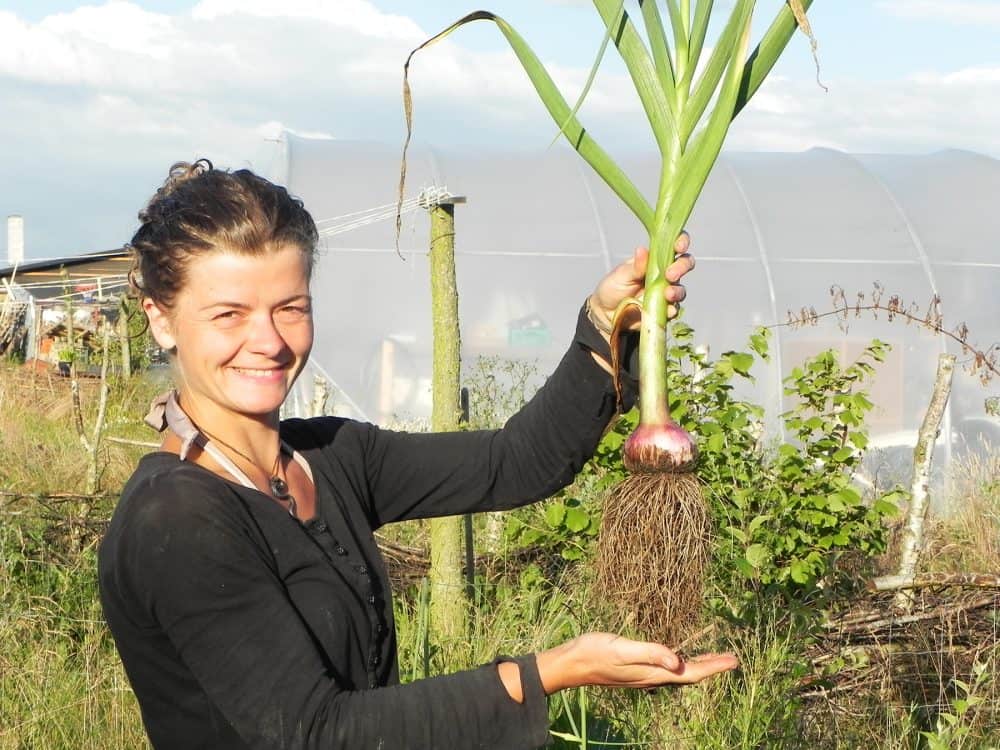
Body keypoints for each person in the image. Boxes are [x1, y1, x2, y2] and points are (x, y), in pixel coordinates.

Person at [98, 159, 737, 750]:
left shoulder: (330, 457)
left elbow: (516, 462)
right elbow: (316, 734)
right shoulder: (177, 519)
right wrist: (556, 672)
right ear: (160, 319)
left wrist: (605, 323)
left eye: (290, 308)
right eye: (228, 315)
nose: (266, 340)